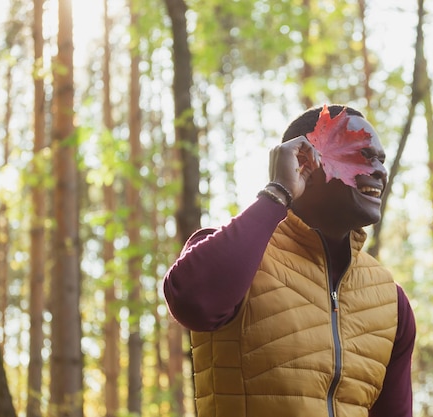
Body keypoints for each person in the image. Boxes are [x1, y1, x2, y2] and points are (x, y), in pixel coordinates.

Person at [163, 104, 416, 417]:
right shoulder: (237, 253)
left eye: (381, 159)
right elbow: (193, 301)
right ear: (305, 161)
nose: (379, 170)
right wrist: (278, 192)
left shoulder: (391, 300)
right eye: (362, 155)